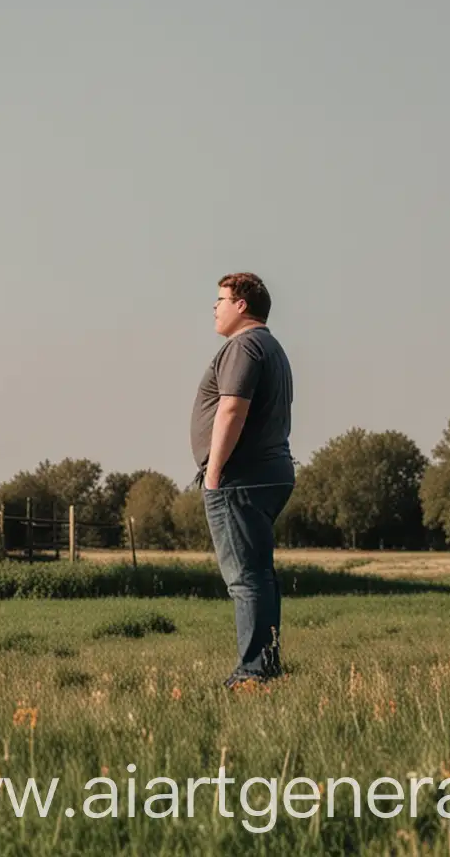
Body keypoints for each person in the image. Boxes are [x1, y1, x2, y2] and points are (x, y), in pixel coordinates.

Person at [189, 271, 295, 685]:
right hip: (270, 473)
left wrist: (213, 472)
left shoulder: (244, 345)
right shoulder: (272, 347)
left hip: (241, 478)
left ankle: (253, 673)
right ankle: (266, 665)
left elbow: (232, 409)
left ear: (241, 305)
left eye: (220, 299)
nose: (214, 308)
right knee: (260, 575)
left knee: (245, 578)